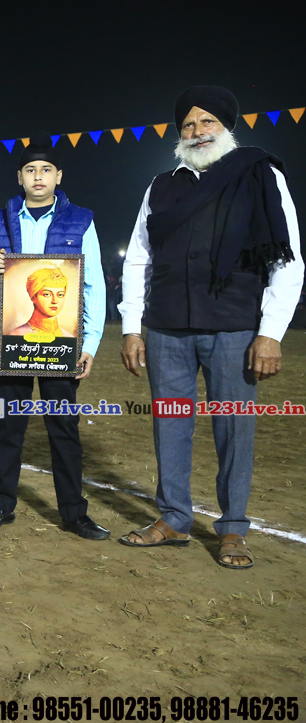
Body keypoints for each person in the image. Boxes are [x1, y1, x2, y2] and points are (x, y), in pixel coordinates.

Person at [118, 86, 302, 568]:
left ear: (227, 127)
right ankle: (174, 519)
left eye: (207, 122)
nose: (197, 131)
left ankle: (233, 528)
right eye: (188, 124)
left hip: (234, 328)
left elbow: (288, 260)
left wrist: (270, 333)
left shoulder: (260, 175)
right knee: (170, 425)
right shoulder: (161, 185)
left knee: (234, 428)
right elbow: (138, 257)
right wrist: (132, 326)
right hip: (166, 328)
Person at [0, 133, 108, 540]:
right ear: (20, 177)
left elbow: (94, 285)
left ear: (58, 176)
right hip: (13, 342)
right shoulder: (1, 219)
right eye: (30, 170)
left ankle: (74, 513)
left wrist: (90, 344)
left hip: (62, 343)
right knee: (9, 426)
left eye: (46, 170)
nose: (38, 176)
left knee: (63, 427)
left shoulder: (81, 219)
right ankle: (0, 505)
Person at [5, 266, 77, 338]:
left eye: (60, 295)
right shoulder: (17, 335)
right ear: (33, 297)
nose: (55, 301)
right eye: (47, 294)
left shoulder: (68, 337)